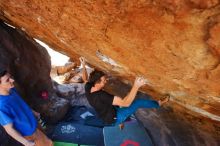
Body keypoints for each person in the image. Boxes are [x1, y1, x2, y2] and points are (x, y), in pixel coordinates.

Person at [85, 70, 169, 126]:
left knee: (125, 98)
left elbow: (84, 79)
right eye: (104, 81)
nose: (106, 81)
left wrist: (83, 64)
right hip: (115, 118)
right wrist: (136, 85)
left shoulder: (88, 86)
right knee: (137, 103)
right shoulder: (102, 96)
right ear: (97, 83)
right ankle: (158, 104)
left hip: (106, 112)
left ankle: (121, 120)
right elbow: (126, 103)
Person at [0, 69, 53, 146]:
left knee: (46, 136)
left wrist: (33, 112)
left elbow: (21, 104)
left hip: (33, 122)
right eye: (7, 80)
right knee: (48, 144)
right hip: (29, 132)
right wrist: (26, 142)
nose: (12, 80)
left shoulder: (11, 90)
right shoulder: (2, 105)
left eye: (10, 77)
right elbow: (9, 129)